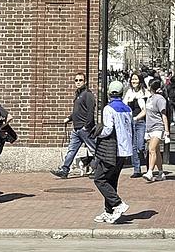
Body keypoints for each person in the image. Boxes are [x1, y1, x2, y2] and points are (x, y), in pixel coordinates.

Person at [91, 80, 133, 224]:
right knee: (112, 180)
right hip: (125, 149)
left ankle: (118, 204)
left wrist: (97, 133)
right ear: (121, 93)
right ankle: (109, 211)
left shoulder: (109, 109)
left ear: (109, 93)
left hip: (112, 149)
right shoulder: (127, 109)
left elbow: (108, 129)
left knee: (100, 179)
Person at [52, 72, 96, 179]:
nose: (78, 82)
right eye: (76, 80)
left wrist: (87, 126)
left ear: (85, 81)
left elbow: (90, 112)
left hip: (85, 129)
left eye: (80, 80)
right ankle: (64, 170)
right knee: (71, 150)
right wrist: (69, 118)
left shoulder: (88, 94)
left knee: (94, 150)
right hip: (76, 129)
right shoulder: (78, 94)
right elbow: (78, 111)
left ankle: (100, 169)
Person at [143, 77, 170, 182]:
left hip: (157, 127)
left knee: (152, 149)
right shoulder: (149, 98)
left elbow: (164, 115)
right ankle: (161, 172)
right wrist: (135, 118)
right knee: (156, 151)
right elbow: (145, 111)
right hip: (149, 128)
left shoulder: (160, 99)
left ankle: (150, 172)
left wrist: (166, 130)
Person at [122, 72, 148, 178]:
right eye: (132, 79)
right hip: (130, 122)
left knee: (140, 146)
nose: (134, 81)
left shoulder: (145, 93)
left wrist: (137, 118)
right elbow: (124, 107)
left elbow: (146, 110)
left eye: (136, 79)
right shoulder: (129, 92)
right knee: (133, 146)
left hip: (141, 122)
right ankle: (136, 169)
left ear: (140, 80)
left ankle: (149, 165)